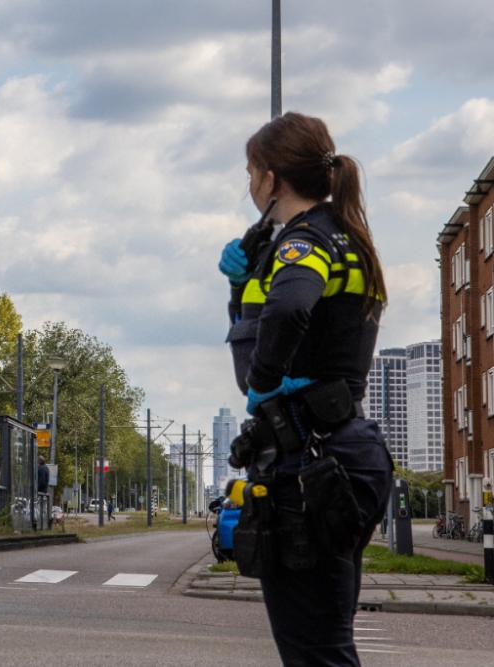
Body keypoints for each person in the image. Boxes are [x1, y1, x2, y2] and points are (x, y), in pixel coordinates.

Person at [218, 112, 393, 667]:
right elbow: (279, 317)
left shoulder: (306, 240)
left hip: (312, 459)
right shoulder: (342, 236)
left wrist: (264, 382)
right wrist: (240, 284)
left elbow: (292, 305)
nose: (249, 185)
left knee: (315, 653)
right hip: (337, 452)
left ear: (271, 180)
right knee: (323, 643)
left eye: (250, 172)